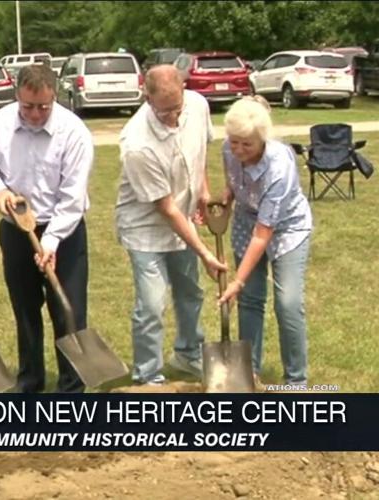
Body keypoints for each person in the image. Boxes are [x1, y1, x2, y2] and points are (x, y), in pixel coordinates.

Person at [0, 64, 93, 394]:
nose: (35, 114)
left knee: (68, 309)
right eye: (28, 106)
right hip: (16, 232)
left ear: (54, 96)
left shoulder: (73, 132)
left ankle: (72, 389)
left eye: (43, 106)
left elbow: (72, 197)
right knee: (25, 310)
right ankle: (30, 379)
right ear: (18, 96)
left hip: (64, 233)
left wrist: (52, 242)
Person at [114, 65, 226, 386]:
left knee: (190, 292)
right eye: (164, 113)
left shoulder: (198, 105)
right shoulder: (137, 144)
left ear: (184, 89)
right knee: (151, 303)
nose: (173, 119)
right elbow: (165, 209)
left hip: (183, 217)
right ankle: (148, 375)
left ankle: (188, 353)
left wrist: (202, 190)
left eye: (177, 109)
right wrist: (204, 253)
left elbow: (199, 151)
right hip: (145, 228)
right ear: (146, 97)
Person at [217, 97, 313, 386]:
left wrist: (236, 281)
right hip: (247, 222)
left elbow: (264, 234)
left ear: (263, 140)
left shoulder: (279, 166)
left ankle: (297, 381)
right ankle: (250, 373)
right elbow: (233, 176)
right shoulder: (228, 149)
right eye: (234, 142)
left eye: (247, 144)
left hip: (286, 228)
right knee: (250, 300)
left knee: (288, 303)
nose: (238, 150)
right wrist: (229, 194)